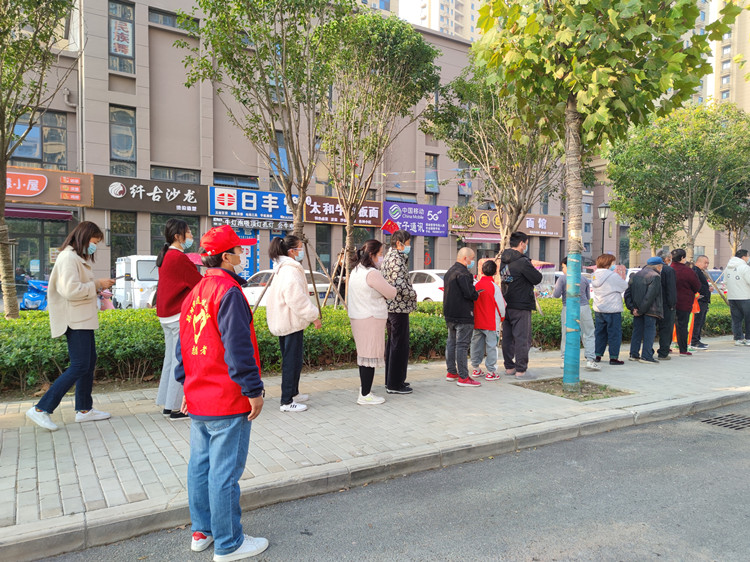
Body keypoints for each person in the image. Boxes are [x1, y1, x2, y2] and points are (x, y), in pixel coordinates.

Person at [174, 225, 268, 561]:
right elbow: (238, 347)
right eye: (239, 250)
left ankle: (202, 531)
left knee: (200, 466)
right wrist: (253, 389)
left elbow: (182, 347)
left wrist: (185, 384)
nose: (243, 254)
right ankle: (229, 543)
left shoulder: (195, 292)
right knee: (224, 472)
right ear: (226, 256)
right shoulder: (229, 292)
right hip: (227, 396)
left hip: (198, 393)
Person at [25, 222, 115, 431]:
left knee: (88, 363)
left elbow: (77, 288)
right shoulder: (68, 258)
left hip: (82, 318)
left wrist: (98, 288)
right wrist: (98, 284)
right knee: (80, 365)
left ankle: (84, 409)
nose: (94, 246)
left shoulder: (75, 258)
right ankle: (41, 408)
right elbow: (71, 290)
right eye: (94, 242)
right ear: (84, 237)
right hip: (75, 320)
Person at [266, 235, 322, 412]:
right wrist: (313, 316)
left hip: (287, 321)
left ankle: (293, 393)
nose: (301, 251)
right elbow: (296, 298)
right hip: (290, 322)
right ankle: (286, 401)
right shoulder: (290, 270)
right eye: (299, 248)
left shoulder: (283, 268)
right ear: (291, 251)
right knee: (291, 362)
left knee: (294, 360)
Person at [155, 218, 202, 420]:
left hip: (166, 315)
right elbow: (198, 283)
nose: (191, 236)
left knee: (170, 360)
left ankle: (167, 405)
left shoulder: (167, 256)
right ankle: (175, 408)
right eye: (188, 232)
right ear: (177, 236)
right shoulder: (179, 258)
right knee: (179, 361)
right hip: (178, 315)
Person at [346, 239, 397, 405]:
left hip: (358, 317)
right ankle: (365, 394)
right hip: (371, 318)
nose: (382, 257)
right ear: (372, 254)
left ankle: (364, 389)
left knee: (364, 356)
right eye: (380, 254)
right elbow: (391, 292)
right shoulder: (372, 273)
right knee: (370, 356)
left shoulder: (356, 270)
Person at [499, 231, 543, 380]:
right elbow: (537, 278)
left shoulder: (504, 261)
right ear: (522, 243)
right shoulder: (523, 262)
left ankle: (509, 367)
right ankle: (521, 371)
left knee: (507, 337)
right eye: (526, 244)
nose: (526, 246)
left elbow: (507, 279)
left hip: (507, 303)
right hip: (521, 304)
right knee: (522, 338)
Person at [380, 230, 417, 394]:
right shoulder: (396, 259)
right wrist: (412, 293)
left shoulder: (391, 257)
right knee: (398, 345)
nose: (409, 246)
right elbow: (398, 284)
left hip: (392, 307)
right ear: (398, 243)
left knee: (393, 344)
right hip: (397, 308)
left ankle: (392, 380)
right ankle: (395, 384)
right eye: (407, 243)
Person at [443, 247, 481, 386]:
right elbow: (470, 293)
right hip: (463, 314)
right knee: (462, 345)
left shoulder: (449, 272)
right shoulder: (464, 274)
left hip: (450, 313)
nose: (473, 261)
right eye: (472, 258)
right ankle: (463, 377)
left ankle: (451, 372)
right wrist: (476, 293)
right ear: (466, 258)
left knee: (451, 342)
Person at [553, 257, 600, 371]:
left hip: (568, 308)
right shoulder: (583, 279)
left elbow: (556, 295)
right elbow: (588, 297)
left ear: (568, 266)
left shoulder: (562, 279)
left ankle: (565, 360)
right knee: (588, 333)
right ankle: (590, 360)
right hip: (584, 308)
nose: (563, 269)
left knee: (566, 333)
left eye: (563, 267)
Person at [469, 259, 506, 381]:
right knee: (491, 347)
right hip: (491, 322)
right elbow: (501, 305)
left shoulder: (476, 285)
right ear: (495, 272)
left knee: (476, 345)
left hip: (477, 321)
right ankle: (491, 371)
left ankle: (476, 368)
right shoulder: (494, 287)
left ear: (481, 271)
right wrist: (502, 317)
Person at [624, 257, 663, 364]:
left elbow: (628, 294)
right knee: (649, 332)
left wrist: (633, 308)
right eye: (661, 266)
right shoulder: (655, 276)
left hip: (637, 310)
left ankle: (633, 354)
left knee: (637, 331)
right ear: (658, 266)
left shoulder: (636, 275)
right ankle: (646, 356)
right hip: (650, 310)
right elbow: (650, 296)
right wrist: (641, 310)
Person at [591, 254, 628, 365]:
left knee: (599, 333)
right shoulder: (613, 276)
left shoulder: (594, 275)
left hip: (599, 308)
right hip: (612, 309)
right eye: (612, 263)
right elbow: (624, 286)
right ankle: (613, 357)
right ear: (608, 264)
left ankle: (597, 355)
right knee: (614, 334)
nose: (614, 265)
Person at [670, 249, 701, 357]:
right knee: (682, 327)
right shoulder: (688, 271)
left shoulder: (667, 269)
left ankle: (664, 349)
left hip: (668, 303)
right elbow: (697, 286)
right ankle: (683, 350)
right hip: (684, 302)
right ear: (683, 258)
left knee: (667, 326)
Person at [725, 249, 750, 346]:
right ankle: (748, 338)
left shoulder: (728, 267)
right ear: (743, 257)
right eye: (747, 256)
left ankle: (738, 338)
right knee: (748, 319)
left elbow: (725, 282)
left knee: (736, 319)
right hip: (745, 297)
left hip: (732, 297)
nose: (748, 258)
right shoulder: (745, 267)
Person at [655, 249, 677, 361]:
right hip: (666, 305)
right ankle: (663, 353)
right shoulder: (669, 270)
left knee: (650, 329)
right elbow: (671, 289)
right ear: (667, 259)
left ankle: (646, 352)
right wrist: (672, 304)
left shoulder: (648, 268)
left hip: (652, 304)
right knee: (666, 329)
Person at [691, 254, 712, 350]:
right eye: (705, 263)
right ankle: (694, 341)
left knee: (700, 321)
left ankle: (697, 339)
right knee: (697, 321)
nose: (706, 265)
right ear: (698, 262)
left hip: (703, 300)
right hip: (700, 300)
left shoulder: (700, 272)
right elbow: (697, 286)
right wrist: (706, 289)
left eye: (708, 263)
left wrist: (708, 288)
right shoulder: (695, 271)